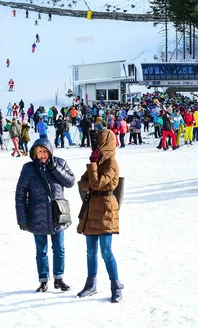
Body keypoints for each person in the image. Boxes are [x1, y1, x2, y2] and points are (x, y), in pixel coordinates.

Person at [15, 138, 75, 292]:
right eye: (39, 152)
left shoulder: (60, 163)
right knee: (41, 251)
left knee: (59, 249)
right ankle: (43, 280)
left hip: (58, 215)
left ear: (50, 151)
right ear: (34, 153)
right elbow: (20, 194)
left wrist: (54, 168)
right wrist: (22, 218)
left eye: (45, 151)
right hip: (37, 215)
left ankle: (59, 278)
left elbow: (70, 182)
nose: (42, 155)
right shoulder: (28, 168)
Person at [77, 129, 123, 303]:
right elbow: (82, 182)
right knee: (90, 251)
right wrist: (91, 177)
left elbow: (95, 183)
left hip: (105, 211)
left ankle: (116, 285)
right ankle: (91, 284)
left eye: (99, 142)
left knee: (106, 251)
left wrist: (93, 167)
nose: (96, 146)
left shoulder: (111, 163)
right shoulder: (95, 161)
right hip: (91, 209)